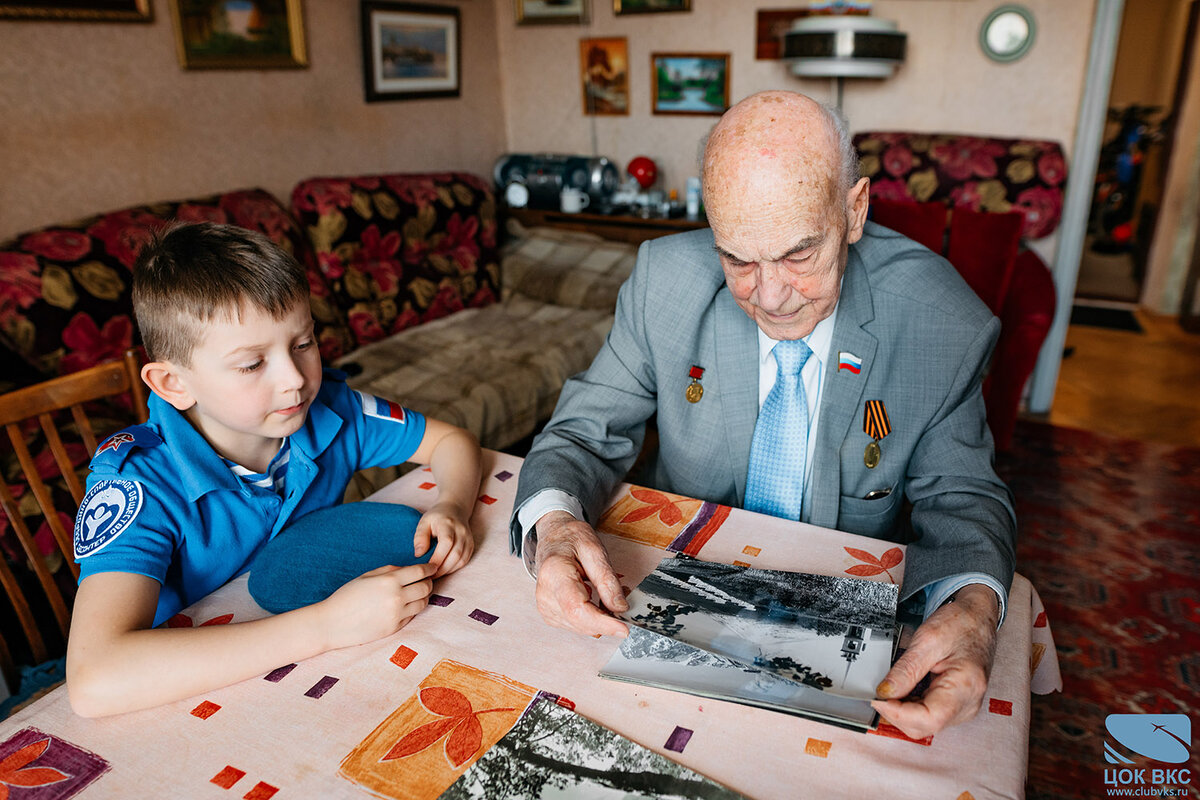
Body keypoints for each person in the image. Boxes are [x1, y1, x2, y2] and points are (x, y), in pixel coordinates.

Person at [509, 91, 1017, 740]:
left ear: (855, 209)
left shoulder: (941, 321)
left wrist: (973, 607)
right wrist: (552, 527)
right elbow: (584, 431)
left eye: (800, 255)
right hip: (674, 591)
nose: (771, 297)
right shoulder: (663, 281)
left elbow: (965, 494)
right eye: (739, 259)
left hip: (837, 615)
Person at [66, 222, 482, 717]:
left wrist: (452, 502)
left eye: (303, 343)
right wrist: (326, 625)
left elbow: (451, 440)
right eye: (251, 364)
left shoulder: (332, 408)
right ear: (173, 384)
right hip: (189, 694)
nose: (296, 381)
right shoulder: (137, 482)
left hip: (310, 675)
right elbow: (94, 679)